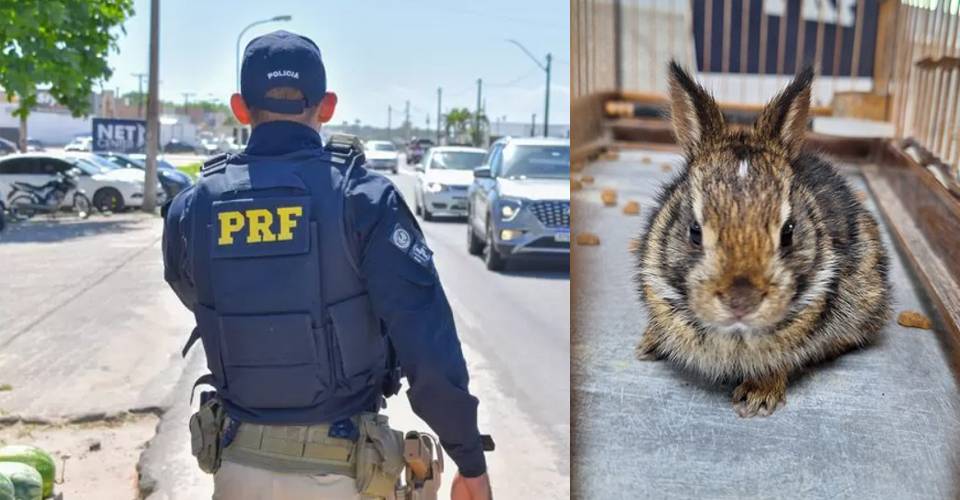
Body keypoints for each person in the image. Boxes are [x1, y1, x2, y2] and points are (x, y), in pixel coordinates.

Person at [162, 30, 492, 500]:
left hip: (236, 468)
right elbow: (427, 344)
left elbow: (191, 291)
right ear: (327, 105)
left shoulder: (193, 206)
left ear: (240, 108)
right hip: (344, 474)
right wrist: (470, 462)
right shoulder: (363, 198)